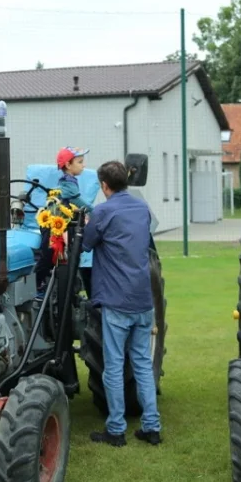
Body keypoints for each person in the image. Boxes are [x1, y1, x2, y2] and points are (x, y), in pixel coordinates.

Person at [83, 160, 161, 447]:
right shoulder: (142, 208)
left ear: (104, 186)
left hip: (117, 302)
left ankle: (116, 430)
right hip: (143, 300)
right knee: (141, 364)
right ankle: (151, 427)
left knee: (114, 366)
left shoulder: (102, 211)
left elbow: (87, 243)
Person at [35, 146, 92, 301]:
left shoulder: (70, 181)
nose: (83, 165)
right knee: (48, 254)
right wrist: (95, 213)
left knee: (66, 254)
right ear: (68, 165)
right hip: (55, 224)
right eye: (80, 162)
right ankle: (38, 284)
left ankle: (65, 286)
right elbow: (77, 200)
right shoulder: (67, 182)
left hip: (63, 223)